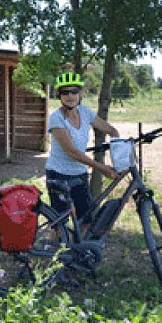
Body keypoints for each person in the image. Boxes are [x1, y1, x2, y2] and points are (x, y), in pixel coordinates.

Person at [45, 72, 120, 233]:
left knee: (86, 219)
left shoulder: (85, 112)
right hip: (59, 174)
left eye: (74, 92)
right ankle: (54, 253)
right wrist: (102, 167)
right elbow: (72, 152)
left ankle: (77, 253)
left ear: (79, 94)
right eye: (65, 92)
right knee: (60, 224)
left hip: (79, 175)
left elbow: (110, 129)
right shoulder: (56, 119)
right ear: (60, 96)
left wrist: (119, 147)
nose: (70, 96)